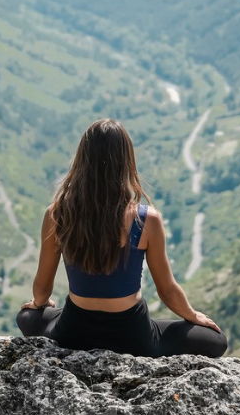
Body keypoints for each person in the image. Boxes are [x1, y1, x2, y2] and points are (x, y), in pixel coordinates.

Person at [16, 118, 227, 358]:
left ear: (82, 160)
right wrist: (192, 315)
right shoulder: (146, 220)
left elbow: (42, 288)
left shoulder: (58, 214)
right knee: (216, 339)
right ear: (126, 162)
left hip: (73, 334)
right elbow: (167, 291)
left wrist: (39, 303)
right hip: (133, 337)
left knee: (26, 316)